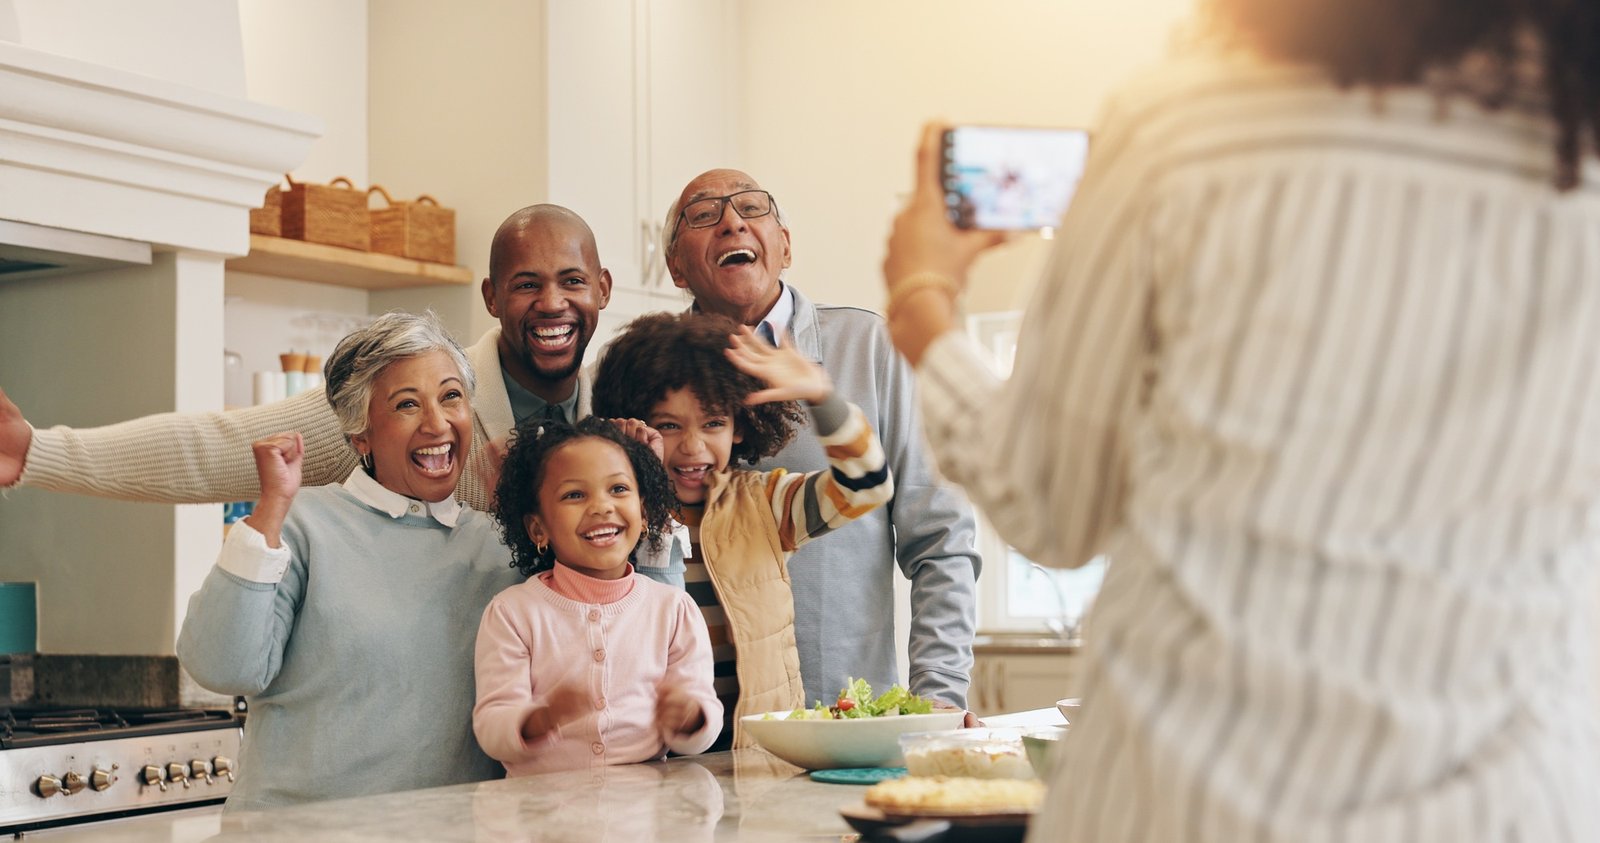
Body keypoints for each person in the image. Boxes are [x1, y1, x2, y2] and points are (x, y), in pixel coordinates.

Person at [880, 4, 1600, 841]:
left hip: (1190, 793)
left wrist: (923, 309)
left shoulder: (1185, 123)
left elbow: (1050, 503)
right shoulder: (1575, 147)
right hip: (1509, 800)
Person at [0, 205, 605, 515]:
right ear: (492, 297)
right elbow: (221, 447)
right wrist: (40, 452)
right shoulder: (418, 403)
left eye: (571, 281)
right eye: (527, 284)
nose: (552, 304)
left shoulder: (620, 410)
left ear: (601, 289)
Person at [176, 311, 522, 810]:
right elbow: (222, 666)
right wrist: (271, 508)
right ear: (360, 435)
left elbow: (615, 640)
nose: (437, 422)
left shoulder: (499, 544)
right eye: (407, 404)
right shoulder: (302, 524)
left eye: (452, 397)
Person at [660, 170, 979, 710]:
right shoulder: (638, 373)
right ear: (674, 267)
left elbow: (941, 540)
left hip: (848, 719)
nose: (732, 222)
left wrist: (939, 698)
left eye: (751, 208)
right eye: (704, 213)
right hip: (687, 739)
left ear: (785, 246)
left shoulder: (874, 349)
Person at [590, 312, 896, 747]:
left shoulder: (764, 504)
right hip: (649, 753)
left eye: (713, 423)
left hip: (757, 749)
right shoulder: (612, 518)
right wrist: (625, 462)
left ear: (739, 426)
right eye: (668, 425)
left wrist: (821, 395)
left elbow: (867, 484)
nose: (693, 446)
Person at [473, 416, 721, 774]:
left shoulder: (674, 609)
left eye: (618, 489)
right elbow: (492, 729)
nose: (602, 506)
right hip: (541, 820)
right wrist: (540, 719)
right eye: (575, 494)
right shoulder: (512, 613)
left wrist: (690, 717)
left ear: (645, 511)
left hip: (646, 818)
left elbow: (704, 723)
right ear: (538, 527)